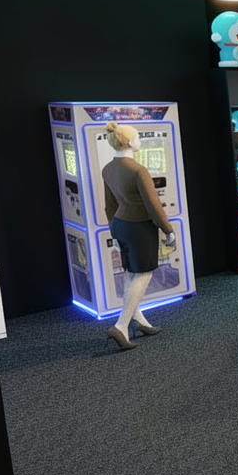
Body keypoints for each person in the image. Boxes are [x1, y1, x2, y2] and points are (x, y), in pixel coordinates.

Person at [101, 122, 174, 350]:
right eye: (138, 137)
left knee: (132, 274)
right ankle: (121, 326)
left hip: (120, 225)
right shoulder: (138, 170)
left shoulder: (107, 169)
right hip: (139, 227)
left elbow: (109, 205)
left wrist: (113, 232)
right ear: (131, 142)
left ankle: (138, 320)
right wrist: (168, 229)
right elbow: (153, 205)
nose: (139, 140)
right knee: (142, 274)